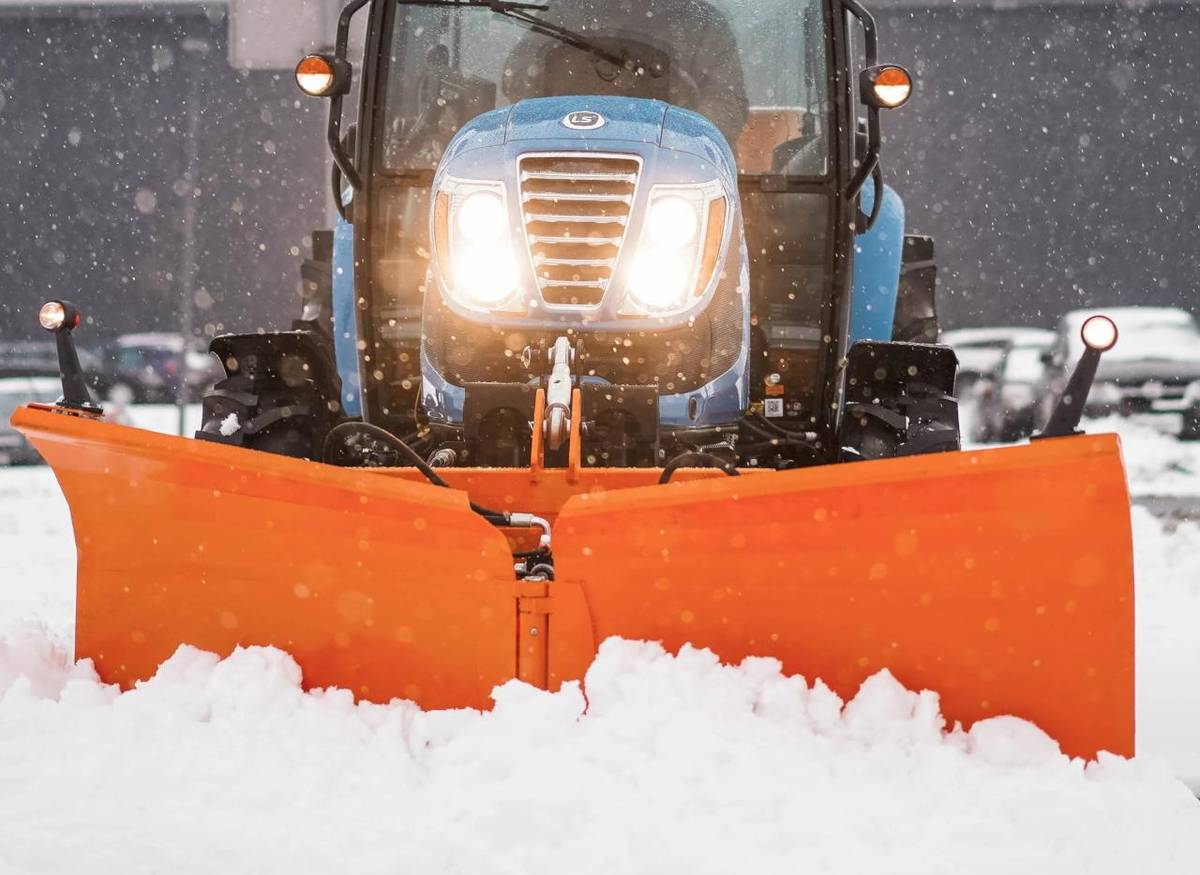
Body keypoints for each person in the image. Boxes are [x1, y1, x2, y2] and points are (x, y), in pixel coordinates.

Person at [500, 0, 749, 147]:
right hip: (567, 154)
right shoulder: (566, 13)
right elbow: (518, 77)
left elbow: (727, 105)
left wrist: (680, 134)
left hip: (671, 180)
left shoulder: (701, 24)